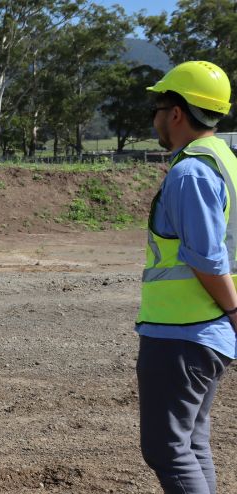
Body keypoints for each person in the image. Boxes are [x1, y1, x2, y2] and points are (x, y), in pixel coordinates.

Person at [137, 61, 236, 494]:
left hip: (183, 333)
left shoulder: (191, 171)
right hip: (203, 332)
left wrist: (233, 309)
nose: (155, 117)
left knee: (166, 449)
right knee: (191, 443)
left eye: (159, 106)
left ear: (176, 112)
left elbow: (206, 256)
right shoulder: (226, 161)